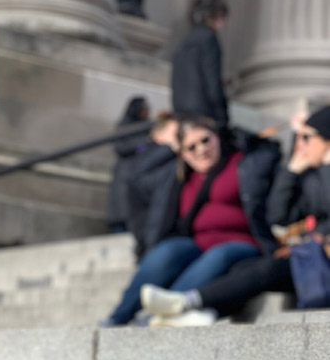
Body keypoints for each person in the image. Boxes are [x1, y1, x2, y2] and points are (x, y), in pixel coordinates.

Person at [140, 107, 330, 325]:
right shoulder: (312, 177)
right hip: (313, 256)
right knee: (245, 270)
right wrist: (292, 171)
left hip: (322, 256)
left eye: (307, 137)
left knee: (262, 267)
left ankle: (185, 302)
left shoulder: (323, 174)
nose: (301, 144)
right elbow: (279, 215)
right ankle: (205, 313)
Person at [102, 115, 280, 326]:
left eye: (206, 140)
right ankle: (118, 318)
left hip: (243, 244)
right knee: (167, 252)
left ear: (217, 138)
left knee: (218, 255)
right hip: (197, 243)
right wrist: (166, 146)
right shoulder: (178, 178)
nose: (201, 150)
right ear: (182, 153)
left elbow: (269, 154)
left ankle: (157, 315)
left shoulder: (245, 164)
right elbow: (137, 176)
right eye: (191, 147)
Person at [124, 112, 179, 259]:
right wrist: (172, 148)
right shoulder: (152, 156)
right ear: (158, 135)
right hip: (150, 237)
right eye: (177, 133)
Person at [171, 0, 229, 129]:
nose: (223, 23)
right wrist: (222, 116)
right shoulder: (209, 39)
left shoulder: (185, 42)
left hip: (182, 113)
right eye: (221, 17)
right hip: (204, 114)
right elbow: (212, 81)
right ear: (212, 16)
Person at [108, 96, 151, 228]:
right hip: (125, 177)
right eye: (145, 109)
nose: (147, 112)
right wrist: (143, 146)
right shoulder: (125, 126)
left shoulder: (148, 127)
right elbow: (120, 147)